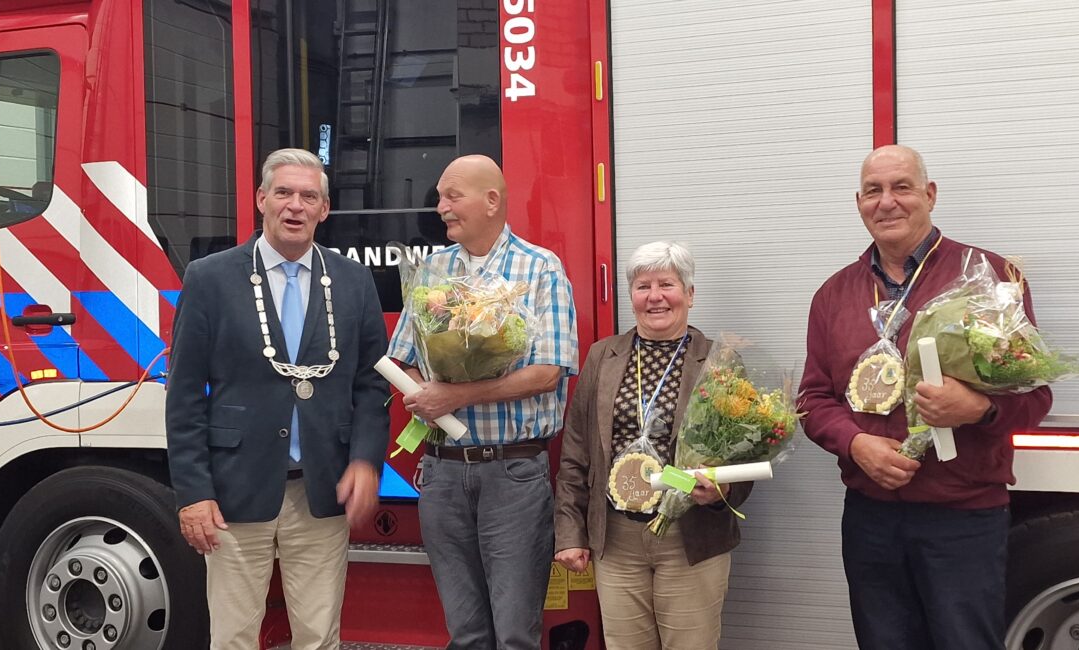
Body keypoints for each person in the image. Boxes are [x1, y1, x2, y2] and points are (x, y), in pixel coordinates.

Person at [799, 144, 1053, 650]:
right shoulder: (834, 293)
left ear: (929, 195)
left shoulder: (989, 278)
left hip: (963, 515)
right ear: (858, 202)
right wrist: (855, 444)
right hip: (871, 516)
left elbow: (1036, 395)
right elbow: (813, 398)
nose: (887, 201)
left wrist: (979, 408)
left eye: (902, 187)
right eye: (874, 190)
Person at [167, 148, 389, 649]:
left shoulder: (352, 281)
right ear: (262, 200)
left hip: (320, 491)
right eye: (284, 193)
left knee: (318, 635)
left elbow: (372, 383)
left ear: (324, 209)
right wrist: (193, 494)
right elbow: (182, 395)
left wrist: (364, 460)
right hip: (233, 493)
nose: (296, 206)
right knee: (233, 637)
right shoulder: (210, 278)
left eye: (309, 196)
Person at [387, 154, 578, 649]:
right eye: (440, 197)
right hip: (442, 473)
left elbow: (547, 372)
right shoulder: (431, 270)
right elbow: (403, 357)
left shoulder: (540, 269)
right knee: (466, 633)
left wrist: (454, 394)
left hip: (512, 475)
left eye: (452, 196)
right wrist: (419, 391)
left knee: (516, 634)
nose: (440, 207)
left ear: (492, 200)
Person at [554, 241, 751, 650]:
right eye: (643, 286)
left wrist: (723, 492)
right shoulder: (601, 357)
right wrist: (570, 533)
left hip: (690, 537)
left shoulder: (720, 361)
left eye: (667, 284)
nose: (655, 296)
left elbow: (746, 453)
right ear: (631, 296)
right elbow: (576, 452)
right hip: (616, 539)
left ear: (690, 295)